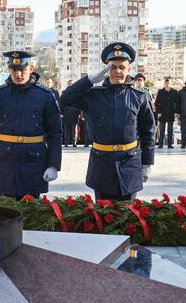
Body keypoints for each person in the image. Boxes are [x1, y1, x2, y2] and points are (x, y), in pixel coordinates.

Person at [60, 42, 155, 200]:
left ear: (129, 69)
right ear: (106, 70)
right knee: (102, 218)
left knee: (128, 217)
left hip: (129, 162)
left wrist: (147, 163)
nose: (117, 71)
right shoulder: (93, 95)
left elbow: (148, 132)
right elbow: (65, 99)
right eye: (113, 67)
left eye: (121, 67)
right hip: (102, 163)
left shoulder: (140, 96)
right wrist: (89, 80)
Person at [0, 50, 62, 198]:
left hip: (33, 160)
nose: (18, 75)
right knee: (7, 211)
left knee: (31, 213)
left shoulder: (44, 95)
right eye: (14, 70)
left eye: (22, 70)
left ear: (31, 69)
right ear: (9, 70)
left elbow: (55, 133)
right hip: (6, 159)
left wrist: (53, 165)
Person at [154, 78, 177, 148]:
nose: (167, 85)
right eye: (166, 83)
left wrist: (175, 112)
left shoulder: (174, 92)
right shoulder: (160, 91)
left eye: (168, 83)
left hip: (171, 114)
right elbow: (157, 103)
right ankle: (161, 144)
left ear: (170, 84)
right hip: (162, 114)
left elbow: (177, 103)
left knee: (170, 130)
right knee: (162, 130)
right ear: (164, 84)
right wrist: (158, 112)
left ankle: (169, 144)